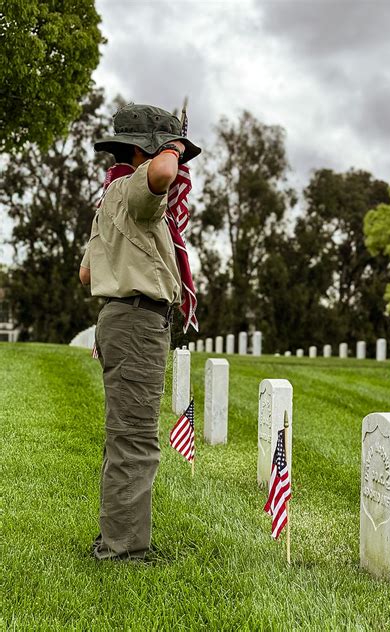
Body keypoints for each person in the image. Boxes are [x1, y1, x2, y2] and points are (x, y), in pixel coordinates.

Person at [79, 104, 201, 561]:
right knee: (136, 437)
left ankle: (116, 534)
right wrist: (171, 147)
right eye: (166, 149)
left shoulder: (111, 197)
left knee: (123, 434)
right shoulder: (136, 189)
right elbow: (163, 173)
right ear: (146, 150)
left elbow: (85, 275)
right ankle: (125, 549)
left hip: (116, 317)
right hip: (136, 320)